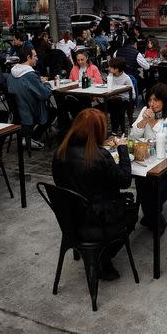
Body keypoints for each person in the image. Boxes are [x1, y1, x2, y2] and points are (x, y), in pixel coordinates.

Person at [52, 108, 136, 280]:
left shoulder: (60, 152)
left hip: (69, 219)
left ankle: (97, 256)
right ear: (98, 131)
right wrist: (122, 148)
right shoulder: (99, 156)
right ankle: (103, 258)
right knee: (132, 211)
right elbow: (125, 180)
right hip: (95, 223)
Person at [129, 83, 167, 233]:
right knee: (141, 180)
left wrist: (153, 122)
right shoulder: (145, 110)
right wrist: (143, 121)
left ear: (164, 100)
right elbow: (133, 136)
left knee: (158, 184)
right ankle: (156, 219)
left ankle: (151, 217)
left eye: (156, 100)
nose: (151, 104)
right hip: (150, 159)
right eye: (149, 100)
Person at [5, 46, 55, 149]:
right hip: (30, 112)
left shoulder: (12, 73)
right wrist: (46, 83)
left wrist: (38, 82)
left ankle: (26, 135)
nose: (37, 58)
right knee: (53, 111)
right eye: (35, 56)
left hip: (17, 113)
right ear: (28, 57)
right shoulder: (30, 75)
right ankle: (33, 137)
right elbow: (45, 94)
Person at [106, 57, 134, 135]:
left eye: (111, 67)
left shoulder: (126, 78)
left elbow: (133, 95)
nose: (109, 68)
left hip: (124, 101)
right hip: (112, 100)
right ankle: (114, 128)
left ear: (117, 69)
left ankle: (115, 129)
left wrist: (121, 96)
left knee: (117, 104)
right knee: (112, 104)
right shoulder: (110, 76)